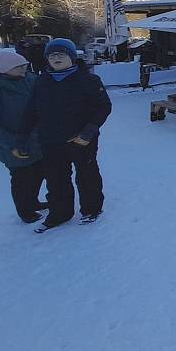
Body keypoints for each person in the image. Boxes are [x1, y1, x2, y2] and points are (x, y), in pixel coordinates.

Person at [21, 39, 111, 231]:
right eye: (52, 55)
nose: (56, 58)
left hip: (81, 139)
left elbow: (104, 107)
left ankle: (91, 209)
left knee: (87, 174)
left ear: (71, 56)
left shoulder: (88, 80)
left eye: (61, 54)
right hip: (50, 140)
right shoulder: (42, 80)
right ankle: (60, 213)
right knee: (55, 178)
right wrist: (24, 137)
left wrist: (88, 132)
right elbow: (32, 111)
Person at [0, 51, 47, 221]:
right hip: (12, 144)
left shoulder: (30, 79)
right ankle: (25, 211)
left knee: (38, 172)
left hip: (35, 139)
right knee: (22, 178)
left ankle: (33, 202)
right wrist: (12, 142)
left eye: (24, 65)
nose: (24, 68)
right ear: (5, 69)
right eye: (19, 66)